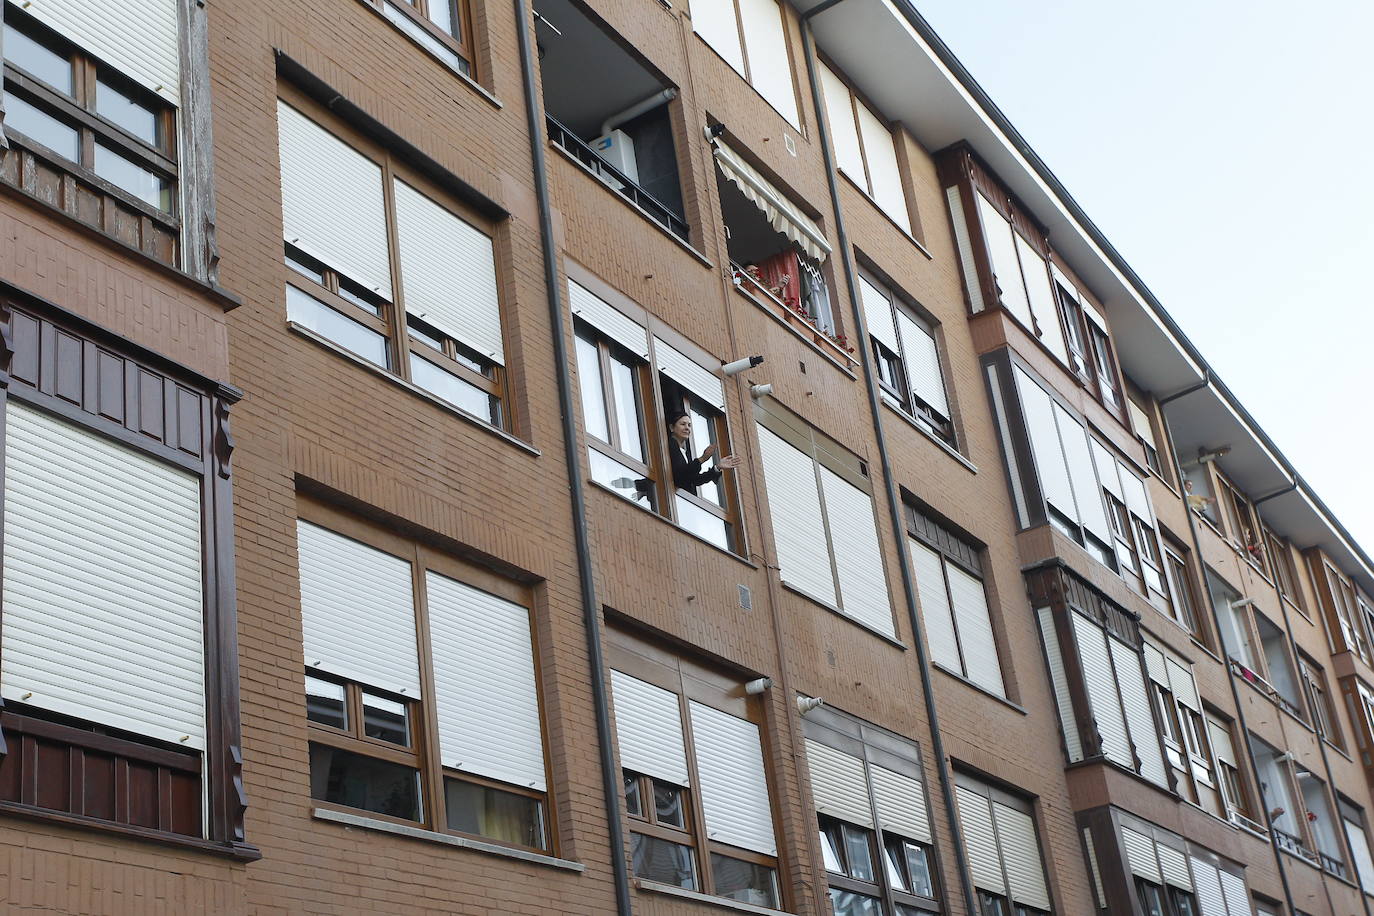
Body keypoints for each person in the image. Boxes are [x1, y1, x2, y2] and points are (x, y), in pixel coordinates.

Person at [666, 410, 740, 495]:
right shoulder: (670, 445)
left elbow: (695, 480)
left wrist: (717, 467)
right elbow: (681, 475)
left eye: (689, 425)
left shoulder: (683, 452)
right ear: (671, 427)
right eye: (683, 424)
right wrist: (703, 458)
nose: (687, 428)